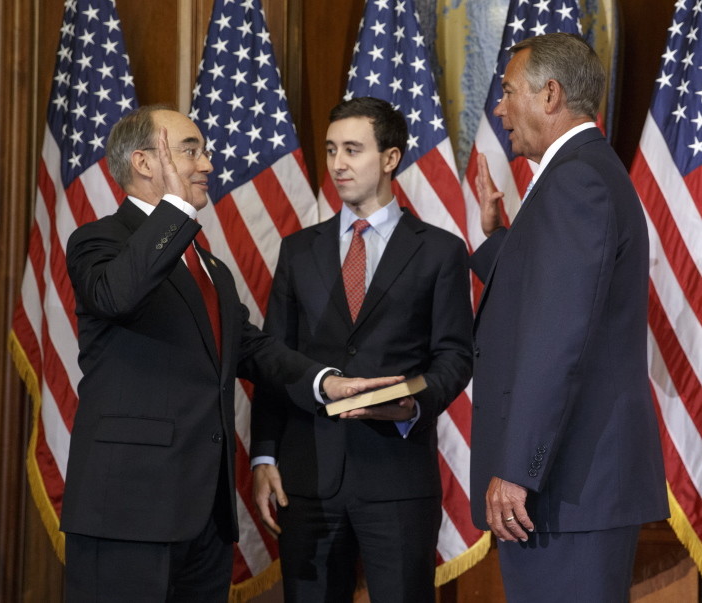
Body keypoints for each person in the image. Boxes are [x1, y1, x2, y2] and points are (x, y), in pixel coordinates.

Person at [60, 105, 403, 602]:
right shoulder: (97, 240)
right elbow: (117, 294)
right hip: (128, 511)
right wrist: (174, 209)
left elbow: (251, 347)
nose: (206, 164)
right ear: (144, 162)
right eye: (189, 150)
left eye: (203, 151)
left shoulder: (209, 265)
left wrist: (325, 382)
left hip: (205, 516)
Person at [250, 97, 473, 602]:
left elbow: (455, 357)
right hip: (307, 482)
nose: (338, 164)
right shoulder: (298, 250)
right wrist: (263, 453)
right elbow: (272, 359)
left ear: (390, 158)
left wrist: (412, 403)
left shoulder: (439, 251)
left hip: (396, 480)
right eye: (331, 150)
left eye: (352, 149)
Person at [471, 33, 669, 602]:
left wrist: (517, 469)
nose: (500, 108)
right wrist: (496, 242)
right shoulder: (582, 174)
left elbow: (558, 340)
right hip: (572, 489)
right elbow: (559, 295)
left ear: (550, 94)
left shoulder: (576, 180)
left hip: (565, 488)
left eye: (508, 93)